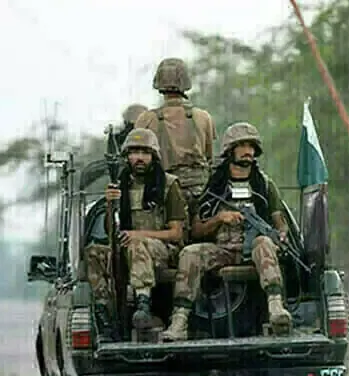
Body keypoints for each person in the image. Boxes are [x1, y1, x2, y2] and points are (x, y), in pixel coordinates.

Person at [160, 122, 292, 342]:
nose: (248, 151)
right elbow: (197, 230)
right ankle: (179, 322)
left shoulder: (264, 185)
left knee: (264, 243)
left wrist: (281, 234)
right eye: (242, 146)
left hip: (255, 251)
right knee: (190, 253)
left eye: (251, 146)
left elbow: (280, 222)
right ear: (230, 151)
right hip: (223, 250)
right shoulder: (215, 186)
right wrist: (219, 218)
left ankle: (276, 309)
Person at [84, 128, 188, 343]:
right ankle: (106, 317)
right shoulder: (120, 185)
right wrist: (111, 204)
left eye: (145, 152)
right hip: (127, 249)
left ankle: (143, 303)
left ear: (153, 156)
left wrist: (137, 235)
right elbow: (111, 232)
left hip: (163, 251)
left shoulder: (168, 185)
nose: (139, 158)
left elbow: (176, 233)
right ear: (127, 157)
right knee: (93, 252)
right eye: (134, 152)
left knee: (136, 243)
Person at [134, 58, 217, 208]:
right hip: (200, 192)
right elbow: (209, 156)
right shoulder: (203, 117)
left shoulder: (146, 119)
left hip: (163, 192)